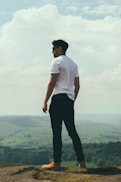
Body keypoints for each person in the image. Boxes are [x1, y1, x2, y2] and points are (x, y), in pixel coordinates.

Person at [42, 39, 86, 171]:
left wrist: (45, 101)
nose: (52, 51)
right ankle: (82, 162)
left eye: (54, 48)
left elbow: (52, 82)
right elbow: (77, 86)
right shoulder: (73, 64)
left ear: (60, 49)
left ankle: (56, 164)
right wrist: (72, 99)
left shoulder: (57, 62)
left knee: (57, 132)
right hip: (68, 99)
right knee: (72, 131)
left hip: (58, 98)